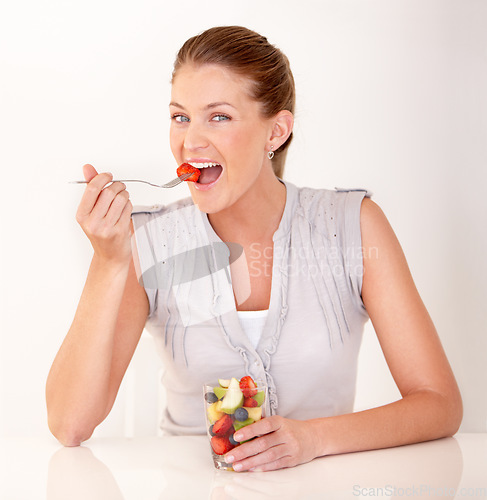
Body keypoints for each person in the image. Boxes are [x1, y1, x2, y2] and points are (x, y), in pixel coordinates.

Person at [46, 26, 462, 472]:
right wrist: (109, 261)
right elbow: (69, 425)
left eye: (219, 117)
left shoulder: (353, 226)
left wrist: (313, 438)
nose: (190, 141)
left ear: (276, 132)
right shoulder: (147, 241)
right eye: (180, 117)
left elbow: (438, 403)